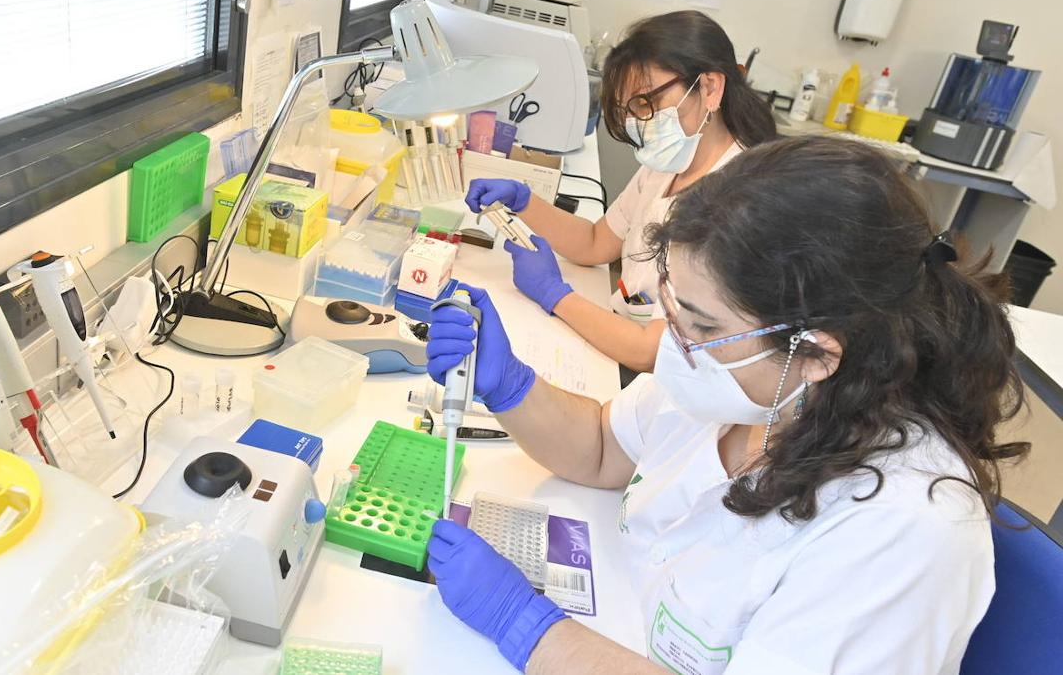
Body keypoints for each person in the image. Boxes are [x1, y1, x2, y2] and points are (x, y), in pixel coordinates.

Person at [426, 136, 1028, 674]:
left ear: (817, 353)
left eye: (701, 324)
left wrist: (527, 629)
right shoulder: (754, 378)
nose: (673, 339)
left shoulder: (906, 532)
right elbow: (605, 449)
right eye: (675, 309)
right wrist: (508, 386)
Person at [465, 10, 776, 373]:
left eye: (648, 103)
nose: (642, 122)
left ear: (709, 88)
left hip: (656, 379)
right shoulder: (668, 165)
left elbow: (652, 351)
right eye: (632, 110)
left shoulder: (737, 204)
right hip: (619, 335)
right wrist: (524, 202)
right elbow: (597, 242)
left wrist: (555, 294)